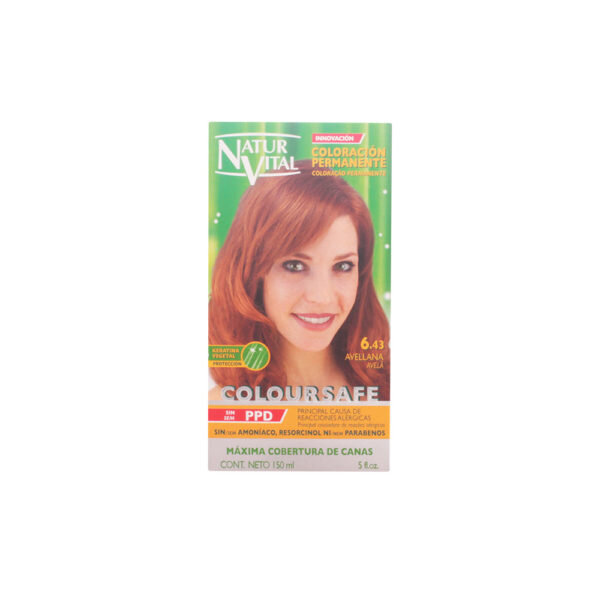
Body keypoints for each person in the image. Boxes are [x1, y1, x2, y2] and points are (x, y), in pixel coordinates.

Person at [209, 160, 390, 401]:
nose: (321, 297)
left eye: (343, 266)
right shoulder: (225, 408)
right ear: (253, 270)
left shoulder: (387, 391)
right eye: (294, 266)